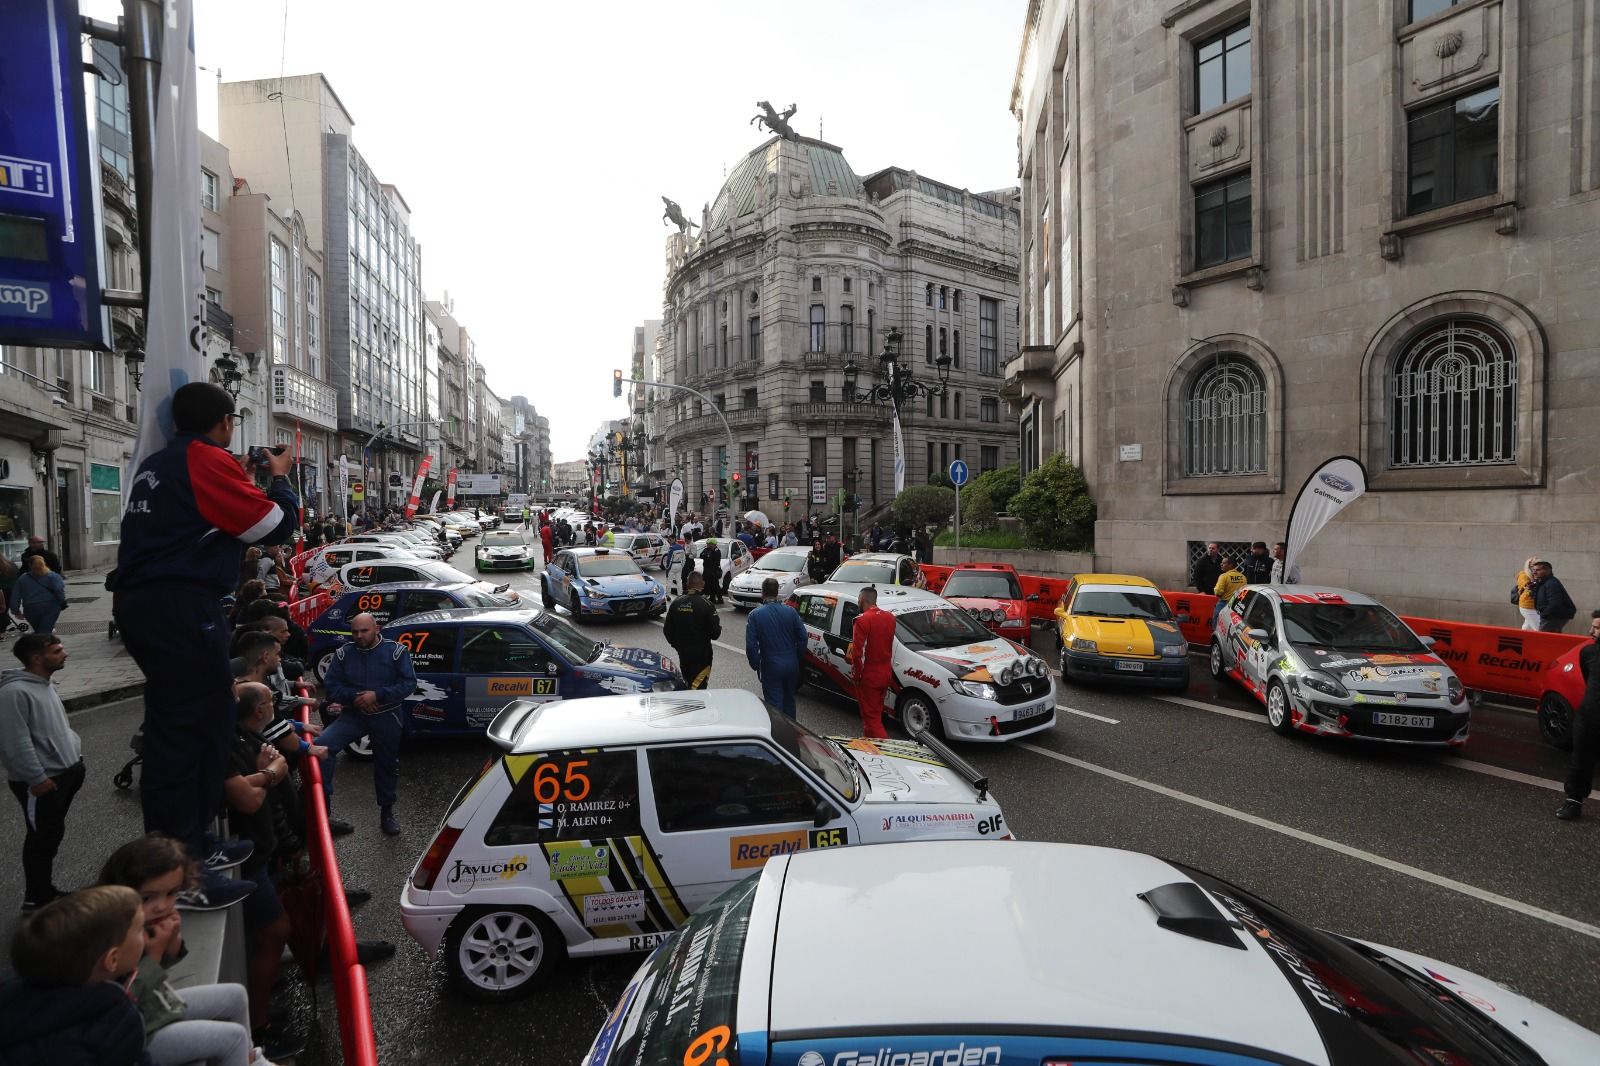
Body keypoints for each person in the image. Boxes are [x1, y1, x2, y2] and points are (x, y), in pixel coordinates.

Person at [111, 382, 299, 867]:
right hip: (179, 605)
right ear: (225, 423)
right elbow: (274, 526)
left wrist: (241, 478)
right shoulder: (202, 458)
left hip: (153, 602)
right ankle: (181, 860)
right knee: (186, 729)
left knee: (205, 717)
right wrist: (279, 478)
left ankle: (194, 844)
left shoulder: (159, 464)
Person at [97, 834, 278, 1066]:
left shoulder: (143, 921)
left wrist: (172, 947)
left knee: (236, 995)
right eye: (148, 897)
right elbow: (123, 1001)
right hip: (134, 1037)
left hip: (154, 1010)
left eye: (172, 893)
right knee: (232, 1038)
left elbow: (153, 976)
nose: (162, 906)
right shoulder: (111, 933)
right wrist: (154, 955)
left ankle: (250, 1060)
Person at [224, 684, 309, 1056]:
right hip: (250, 858)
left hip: (263, 850)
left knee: (265, 934)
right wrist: (271, 772)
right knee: (275, 931)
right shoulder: (225, 742)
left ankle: (260, 1008)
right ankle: (260, 1031)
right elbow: (248, 797)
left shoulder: (239, 733)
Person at [0, 885, 148, 1066]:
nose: (146, 935)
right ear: (113, 959)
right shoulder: (112, 1020)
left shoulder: (14, 989)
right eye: (141, 929)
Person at [0, 634, 83, 910]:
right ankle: (37, 896)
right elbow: (14, 742)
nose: (65, 654)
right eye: (57, 651)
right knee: (41, 839)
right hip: (42, 780)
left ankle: (44, 890)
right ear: (37, 658)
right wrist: (36, 778)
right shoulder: (14, 693)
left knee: (51, 834)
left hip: (63, 772)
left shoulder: (43, 683)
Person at [318, 612, 417, 837]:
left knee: (387, 764)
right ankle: (324, 812)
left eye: (364, 631)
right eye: (355, 632)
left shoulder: (396, 651)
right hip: (354, 714)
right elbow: (331, 688)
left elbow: (409, 684)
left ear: (377, 629)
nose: (359, 636)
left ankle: (387, 813)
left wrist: (378, 695)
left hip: (387, 715)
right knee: (322, 747)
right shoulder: (343, 653)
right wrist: (358, 698)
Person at [1558, 610, 1600, 822]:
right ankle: (1573, 802)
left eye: (1597, 627)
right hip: (1589, 717)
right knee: (1580, 760)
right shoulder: (1589, 653)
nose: (1592, 630)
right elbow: (1588, 678)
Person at [746, 578, 808, 717]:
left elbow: (751, 647)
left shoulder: (755, 615)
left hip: (771, 664)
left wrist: (756, 664)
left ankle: (779, 736)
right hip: (791, 663)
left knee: (775, 707)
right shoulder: (791, 612)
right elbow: (803, 637)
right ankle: (792, 735)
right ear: (777, 592)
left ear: (763, 593)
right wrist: (796, 656)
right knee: (789, 702)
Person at [848, 586, 896, 740]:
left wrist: (856, 675)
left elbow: (858, 654)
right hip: (885, 673)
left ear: (861, 600)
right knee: (875, 716)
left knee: (871, 720)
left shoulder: (862, 621)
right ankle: (870, 748)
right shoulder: (890, 617)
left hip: (869, 677)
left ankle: (888, 753)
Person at [663, 572, 719, 689]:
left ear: (687, 584)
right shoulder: (707, 605)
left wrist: (677, 645)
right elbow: (715, 634)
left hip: (683, 653)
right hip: (702, 655)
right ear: (702, 584)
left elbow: (667, 630)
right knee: (697, 688)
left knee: (687, 683)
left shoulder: (676, 602)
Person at [12, 554, 68, 634]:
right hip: (51, 607)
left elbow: (15, 596)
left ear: (30, 565)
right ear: (44, 563)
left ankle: (41, 644)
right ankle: (43, 644)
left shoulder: (23, 579)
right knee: (44, 631)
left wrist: (16, 611)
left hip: (31, 608)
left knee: (40, 631)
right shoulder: (53, 576)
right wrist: (61, 601)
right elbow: (59, 590)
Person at [1531, 561, 1577, 633]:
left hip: (1554, 616)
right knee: (1552, 637)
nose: (1534, 572)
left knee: (1544, 638)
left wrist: (1544, 614)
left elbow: (1555, 603)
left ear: (1548, 571)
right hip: (1551, 615)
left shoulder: (1551, 583)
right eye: (1533, 570)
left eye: (1538, 570)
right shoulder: (1543, 582)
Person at [1212, 557, 1247, 628]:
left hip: (1224, 604)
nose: (1221, 564)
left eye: (1223, 563)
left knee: (1216, 622)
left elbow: (1218, 592)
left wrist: (1215, 589)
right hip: (1238, 605)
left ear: (1230, 565)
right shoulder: (1243, 577)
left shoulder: (1223, 576)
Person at [1513, 557, 1541, 630]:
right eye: (1534, 566)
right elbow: (1527, 586)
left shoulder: (1536, 575)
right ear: (1529, 566)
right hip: (1527, 606)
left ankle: (1522, 638)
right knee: (1539, 628)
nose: (1536, 568)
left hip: (1534, 606)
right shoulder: (1523, 574)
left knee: (1527, 628)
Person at [701, 539, 724, 607]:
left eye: (709, 544)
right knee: (708, 584)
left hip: (713, 571)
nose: (708, 545)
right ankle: (712, 598)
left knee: (715, 585)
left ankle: (720, 598)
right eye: (707, 544)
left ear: (713, 544)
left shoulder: (717, 551)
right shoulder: (706, 549)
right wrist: (707, 556)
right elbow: (701, 555)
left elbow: (715, 561)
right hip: (706, 570)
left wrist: (708, 556)